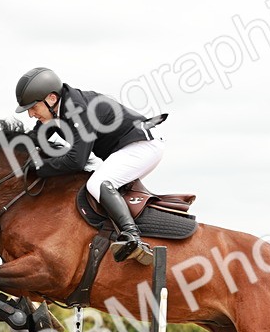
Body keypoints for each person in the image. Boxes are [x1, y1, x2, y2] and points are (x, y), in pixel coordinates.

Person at [14, 67, 166, 265]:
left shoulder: (78, 110)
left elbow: (75, 160)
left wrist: (38, 167)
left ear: (51, 98)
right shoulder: (56, 111)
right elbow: (35, 139)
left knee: (98, 183)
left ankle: (132, 238)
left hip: (142, 147)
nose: (31, 114)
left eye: (33, 108)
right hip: (129, 148)